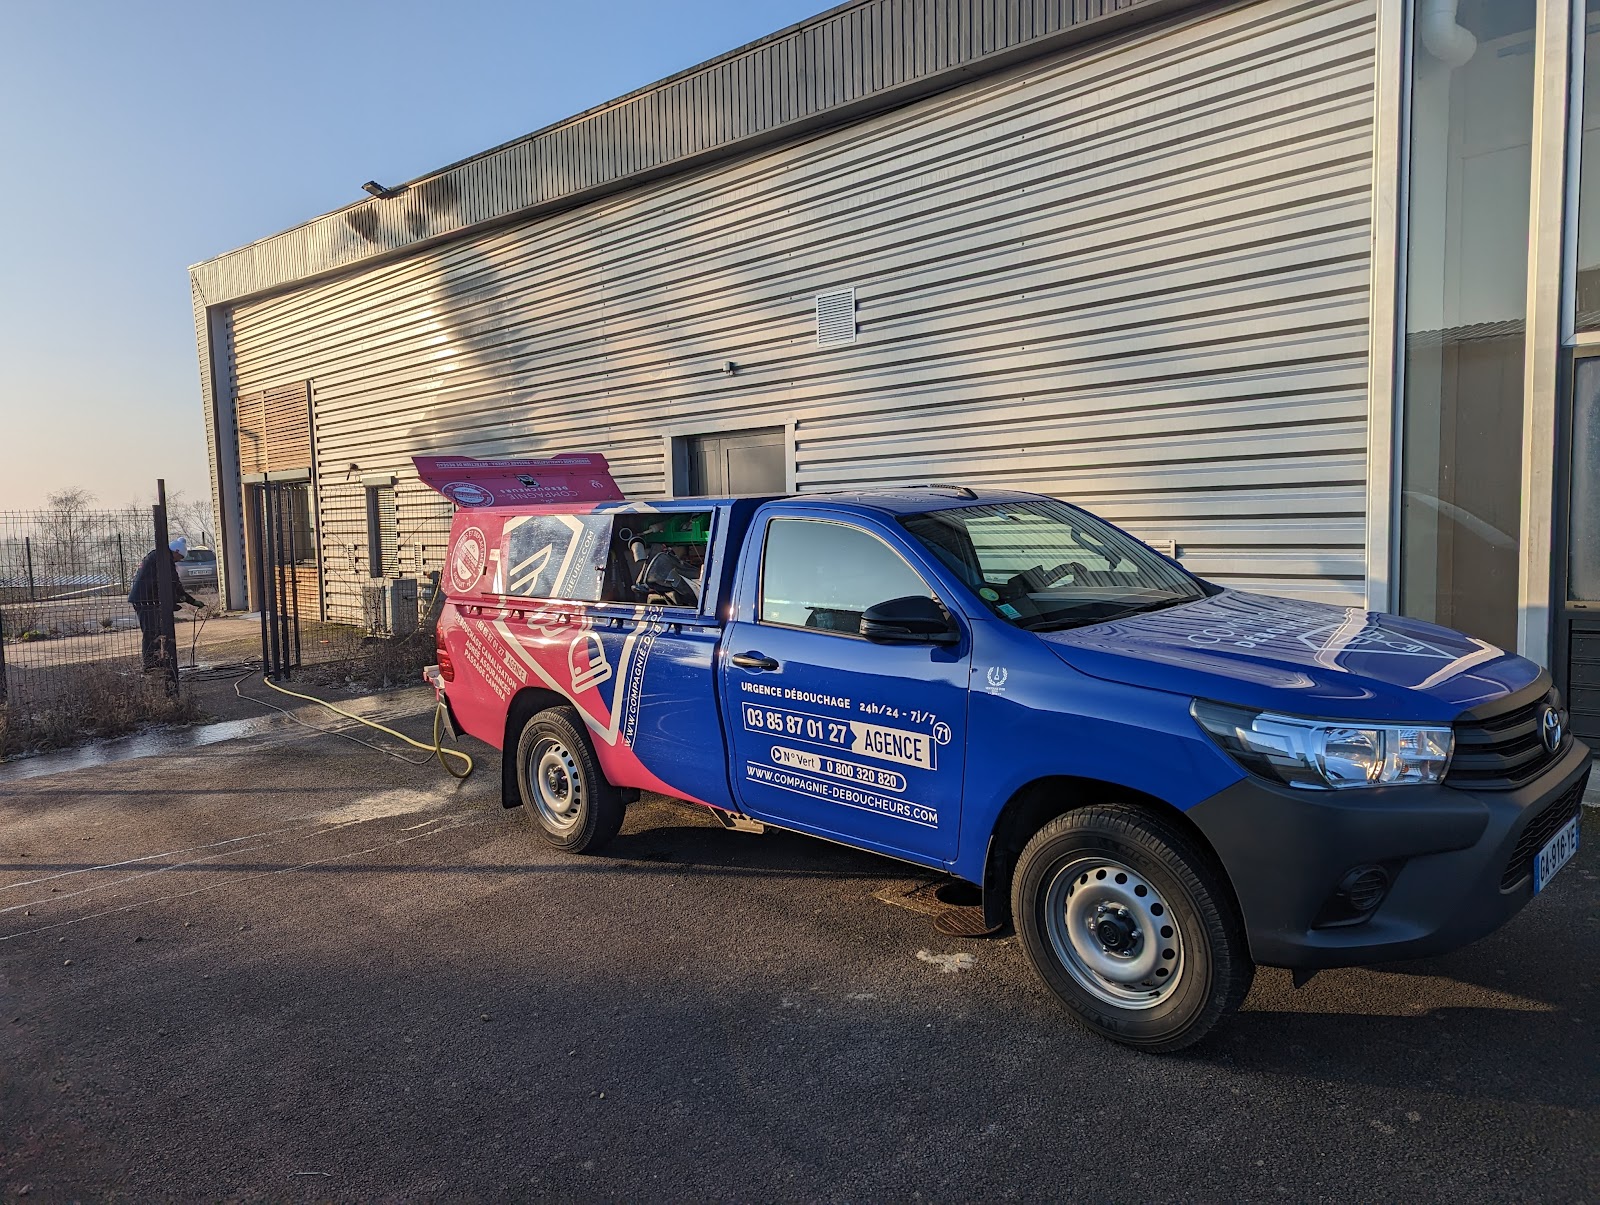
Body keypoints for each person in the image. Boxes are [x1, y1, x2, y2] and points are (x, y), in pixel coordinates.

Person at [129, 537, 202, 672]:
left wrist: (189, 600)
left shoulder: (158, 556)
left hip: (147, 599)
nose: (178, 560)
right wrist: (178, 600)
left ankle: (154, 661)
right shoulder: (164, 559)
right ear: (176, 551)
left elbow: (171, 584)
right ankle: (150, 663)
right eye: (179, 557)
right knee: (151, 632)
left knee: (156, 631)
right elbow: (172, 583)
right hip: (145, 600)